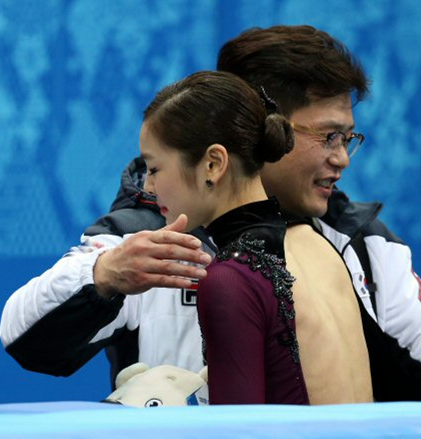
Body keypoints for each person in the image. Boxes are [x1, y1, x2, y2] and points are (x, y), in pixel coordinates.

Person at [0, 25, 421, 402]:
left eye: (349, 136)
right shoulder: (143, 239)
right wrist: (105, 277)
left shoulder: (358, 243)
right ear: (258, 125)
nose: (342, 158)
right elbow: (24, 339)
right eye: (328, 136)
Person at [138, 70, 371, 404]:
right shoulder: (320, 246)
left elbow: (240, 431)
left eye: (154, 168)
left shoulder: (230, 280)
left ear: (213, 164)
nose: (147, 187)